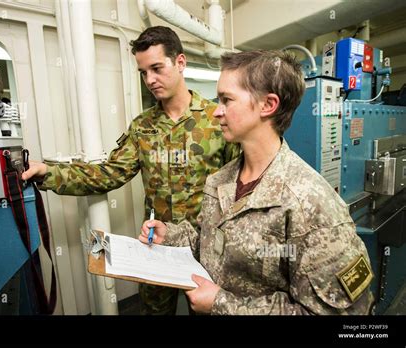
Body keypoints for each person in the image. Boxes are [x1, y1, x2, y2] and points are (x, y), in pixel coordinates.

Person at [21, 26, 240, 315]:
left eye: (157, 68)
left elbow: (238, 190)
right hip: (156, 243)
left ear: (181, 63)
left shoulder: (216, 120)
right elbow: (108, 174)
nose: (150, 79)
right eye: (143, 72)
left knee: (209, 311)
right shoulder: (142, 127)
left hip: (205, 245)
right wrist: (48, 172)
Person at [139, 50, 374, 315]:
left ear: (267, 105)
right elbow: (211, 245)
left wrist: (220, 304)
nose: (216, 112)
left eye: (227, 100)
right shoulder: (220, 181)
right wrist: (169, 235)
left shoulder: (311, 203)